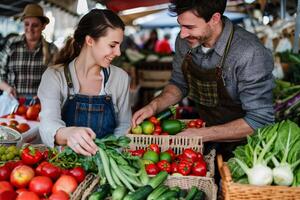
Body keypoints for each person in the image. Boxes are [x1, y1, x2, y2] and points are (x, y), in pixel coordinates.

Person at [132, 0, 274, 158]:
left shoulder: (249, 53)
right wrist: (154, 106)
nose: (182, 34)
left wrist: (203, 134)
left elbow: (259, 120)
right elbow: (179, 84)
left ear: (214, 18)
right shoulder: (185, 42)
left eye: (190, 27)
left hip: (246, 149)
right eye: (180, 25)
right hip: (205, 134)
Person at [38, 9, 131, 156]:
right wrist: (68, 134)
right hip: (66, 165)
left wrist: (109, 158)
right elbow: (48, 124)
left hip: (107, 165)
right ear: (90, 41)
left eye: (119, 46)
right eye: (112, 45)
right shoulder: (54, 76)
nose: (118, 52)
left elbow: (124, 125)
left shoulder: (120, 78)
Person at [0, 4, 57, 102]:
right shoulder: (12, 44)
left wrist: (43, 94)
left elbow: (56, 81)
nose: (29, 29)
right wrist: (8, 89)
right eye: (26, 24)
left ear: (43, 26)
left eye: (35, 25)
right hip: (12, 103)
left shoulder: (52, 50)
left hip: (40, 104)